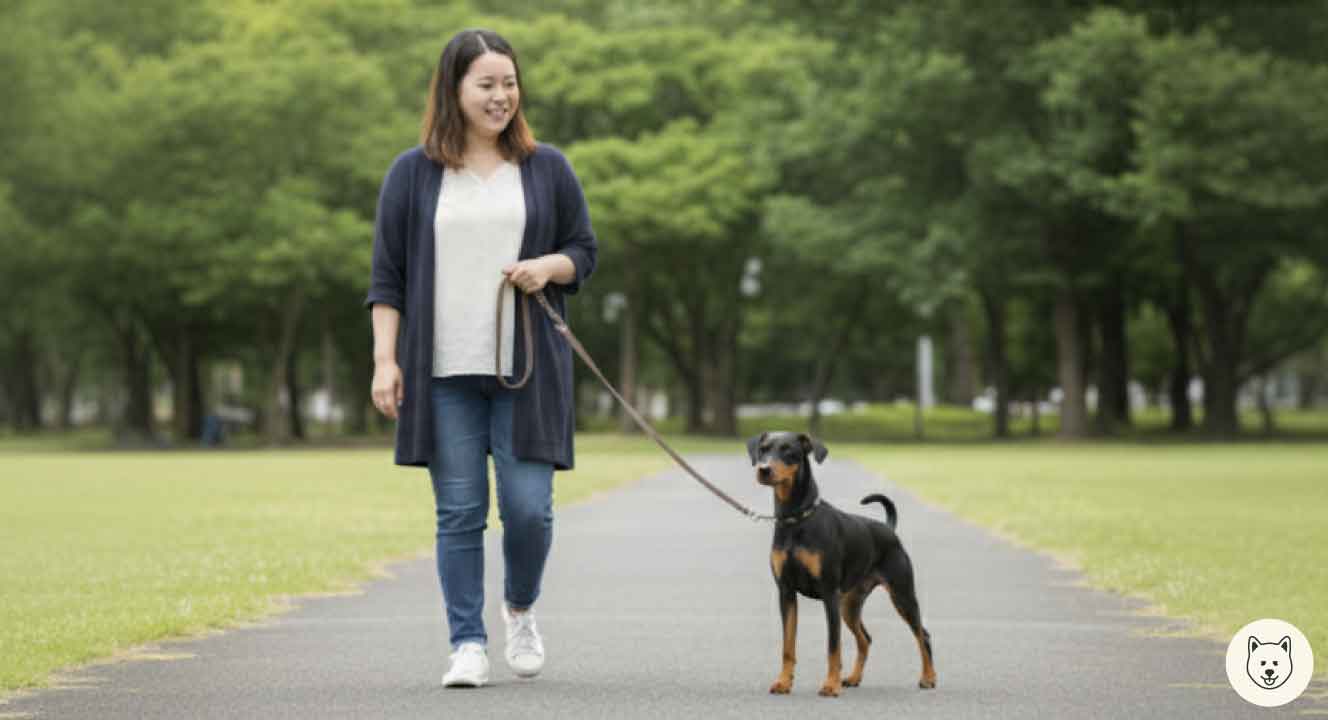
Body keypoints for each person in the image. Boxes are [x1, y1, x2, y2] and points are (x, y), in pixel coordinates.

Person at [363, 28, 597, 689]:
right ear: (454, 90)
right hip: (442, 373)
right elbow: (388, 278)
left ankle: (520, 607)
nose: (501, 97)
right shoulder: (413, 174)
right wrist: (386, 359)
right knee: (460, 512)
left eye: (509, 83)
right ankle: (466, 642)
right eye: (485, 85)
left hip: (526, 371)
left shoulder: (547, 167)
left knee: (529, 509)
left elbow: (583, 250)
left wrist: (546, 266)